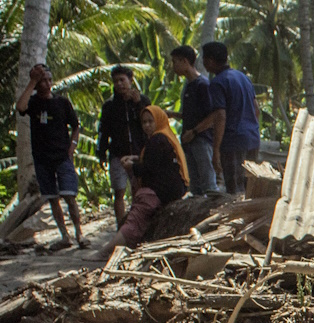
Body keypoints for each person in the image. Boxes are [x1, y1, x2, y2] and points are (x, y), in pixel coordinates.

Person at [85, 106, 188, 261]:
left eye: (150, 121)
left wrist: (131, 166)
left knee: (136, 219)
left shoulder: (157, 140)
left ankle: (107, 251)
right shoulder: (165, 136)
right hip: (170, 189)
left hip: (158, 191)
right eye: (144, 122)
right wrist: (136, 160)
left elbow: (147, 168)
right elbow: (155, 161)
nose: (147, 125)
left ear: (158, 121)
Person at [15, 64, 85, 251]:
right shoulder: (33, 102)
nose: (46, 84)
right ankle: (65, 236)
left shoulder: (62, 103)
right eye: (42, 80)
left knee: (70, 196)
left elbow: (76, 126)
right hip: (42, 158)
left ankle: (80, 233)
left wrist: (72, 148)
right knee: (52, 198)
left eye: (48, 79)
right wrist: (32, 81)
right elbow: (20, 107)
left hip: (62, 156)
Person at [198, 42, 260, 194]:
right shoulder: (243, 78)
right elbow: (256, 109)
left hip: (233, 142)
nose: (204, 64)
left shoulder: (217, 83)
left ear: (211, 60)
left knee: (235, 190)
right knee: (250, 187)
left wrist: (216, 149)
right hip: (252, 138)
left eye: (204, 60)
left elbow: (220, 116)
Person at [96, 65, 151, 228]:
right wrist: (101, 152)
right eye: (116, 81)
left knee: (139, 189)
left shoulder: (142, 101)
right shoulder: (110, 106)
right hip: (117, 154)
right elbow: (103, 131)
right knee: (119, 191)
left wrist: (138, 103)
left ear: (130, 80)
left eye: (122, 80)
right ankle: (121, 226)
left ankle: (137, 223)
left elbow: (149, 122)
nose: (119, 84)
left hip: (138, 151)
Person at [169, 45, 219, 196]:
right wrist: (173, 114)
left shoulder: (202, 85)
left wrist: (195, 132)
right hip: (188, 140)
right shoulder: (188, 86)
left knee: (207, 180)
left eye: (175, 62)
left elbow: (212, 116)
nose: (173, 66)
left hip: (201, 140)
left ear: (185, 61)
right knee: (195, 183)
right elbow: (190, 114)